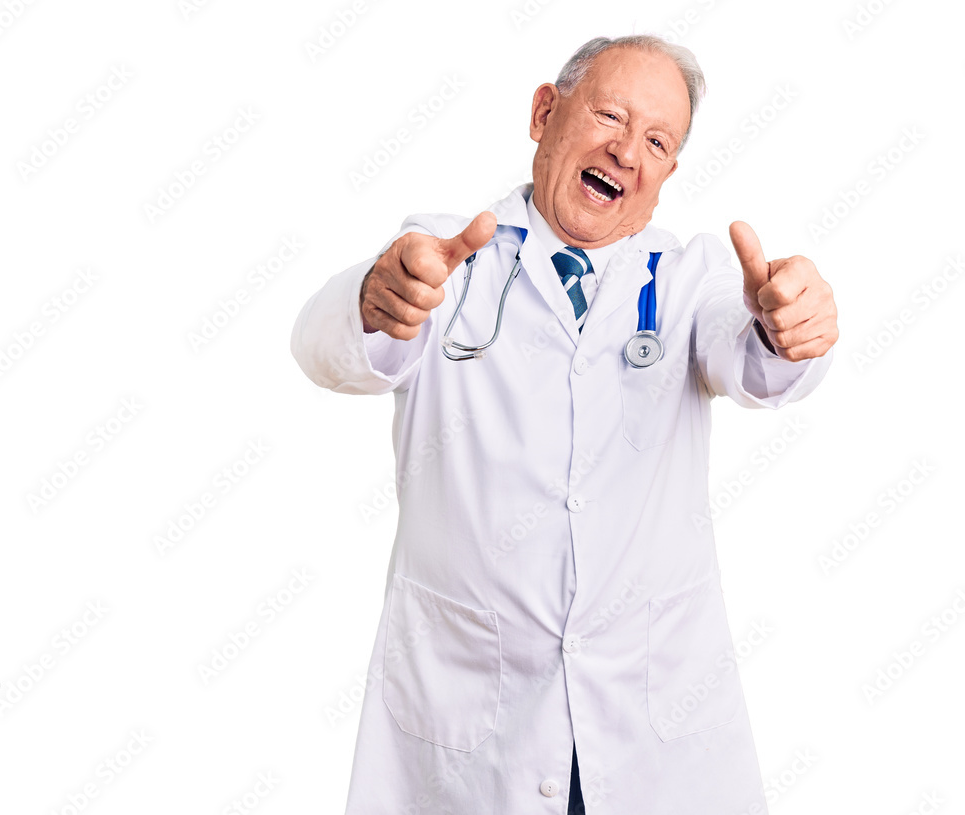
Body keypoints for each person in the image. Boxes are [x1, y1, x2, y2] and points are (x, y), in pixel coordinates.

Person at [292, 34, 838, 815]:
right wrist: (371, 300)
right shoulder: (447, 260)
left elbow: (755, 359)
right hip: (474, 732)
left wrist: (791, 327)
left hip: (649, 733)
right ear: (546, 112)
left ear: (668, 176)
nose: (626, 151)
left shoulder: (687, 280)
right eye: (609, 115)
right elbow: (326, 349)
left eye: (657, 141)